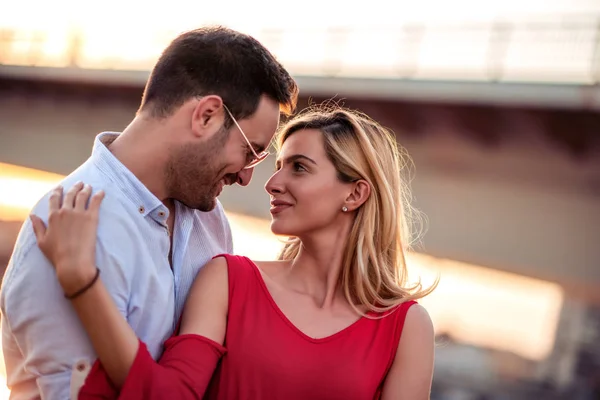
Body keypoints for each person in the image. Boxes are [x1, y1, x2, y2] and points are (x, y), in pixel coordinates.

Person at [32, 106, 437, 399]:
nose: (272, 183)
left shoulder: (407, 327)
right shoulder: (227, 280)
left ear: (356, 192)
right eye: (277, 164)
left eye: (298, 167)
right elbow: (166, 395)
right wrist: (81, 280)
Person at [0, 26, 298, 399]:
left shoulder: (211, 222)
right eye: (250, 151)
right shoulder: (65, 229)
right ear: (206, 116)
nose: (246, 175)